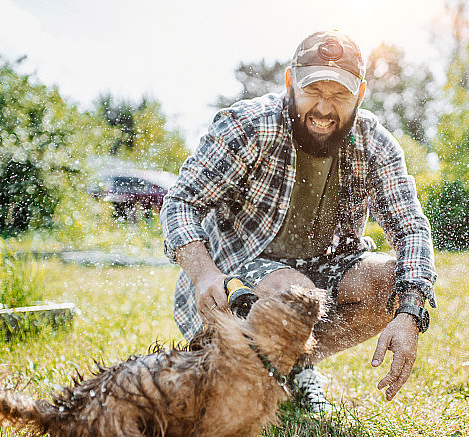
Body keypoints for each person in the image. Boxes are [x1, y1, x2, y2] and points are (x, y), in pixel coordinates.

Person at [161, 30, 436, 413]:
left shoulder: (375, 143)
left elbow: (411, 229)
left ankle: (297, 366)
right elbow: (180, 202)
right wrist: (204, 274)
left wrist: (409, 311)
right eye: (313, 91)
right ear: (290, 81)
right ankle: (236, 371)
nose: (324, 108)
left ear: (360, 93)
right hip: (231, 283)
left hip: (316, 270)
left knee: (391, 279)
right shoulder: (249, 126)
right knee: (297, 294)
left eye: (339, 95)